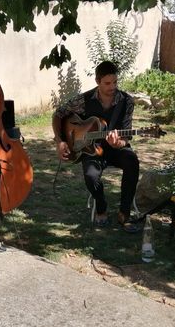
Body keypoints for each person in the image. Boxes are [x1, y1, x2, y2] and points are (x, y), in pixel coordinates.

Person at [52, 60, 140, 232]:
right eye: (107, 83)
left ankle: (125, 210)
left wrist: (119, 142)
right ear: (97, 81)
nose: (112, 86)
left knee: (132, 161)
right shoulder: (84, 100)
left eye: (115, 82)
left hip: (116, 147)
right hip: (90, 149)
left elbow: (127, 134)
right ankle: (101, 205)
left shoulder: (126, 101)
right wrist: (60, 141)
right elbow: (58, 114)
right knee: (91, 176)